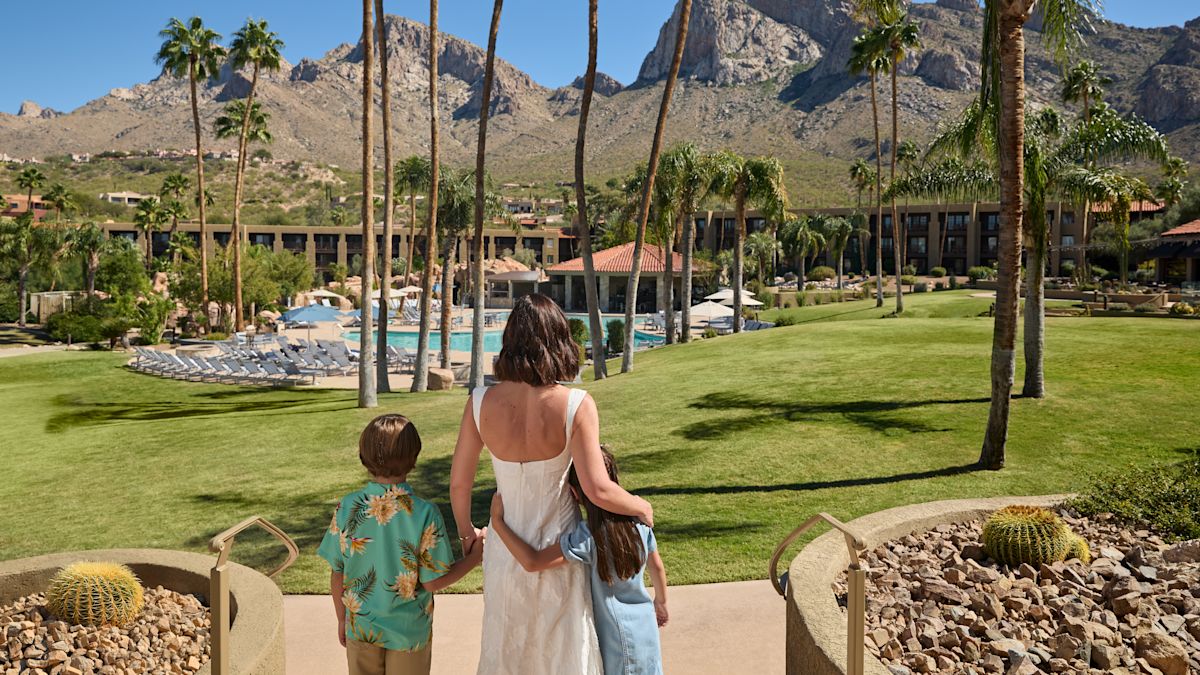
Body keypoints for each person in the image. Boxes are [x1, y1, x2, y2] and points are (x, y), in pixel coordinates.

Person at [449, 293, 654, 675]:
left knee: (507, 650)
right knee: (563, 654)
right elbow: (597, 489)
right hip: (559, 546)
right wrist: (641, 507)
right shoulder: (575, 403)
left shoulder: (479, 402)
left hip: (505, 551)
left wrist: (467, 536)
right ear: (559, 340)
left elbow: (459, 485)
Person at [319, 414, 483, 675]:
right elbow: (432, 581)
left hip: (361, 629)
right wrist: (474, 558)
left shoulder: (347, 508)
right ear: (414, 458)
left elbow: (337, 572)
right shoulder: (425, 513)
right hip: (409, 633)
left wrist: (342, 618)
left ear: (364, 457)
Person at [489, 446, 668, 675]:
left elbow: (532, 561)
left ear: (574, 493)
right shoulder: (639, 524)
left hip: (616, 638)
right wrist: (660, 602)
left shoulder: (589, 537)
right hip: (646, 628)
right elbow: (657, 567)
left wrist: (498, 523)